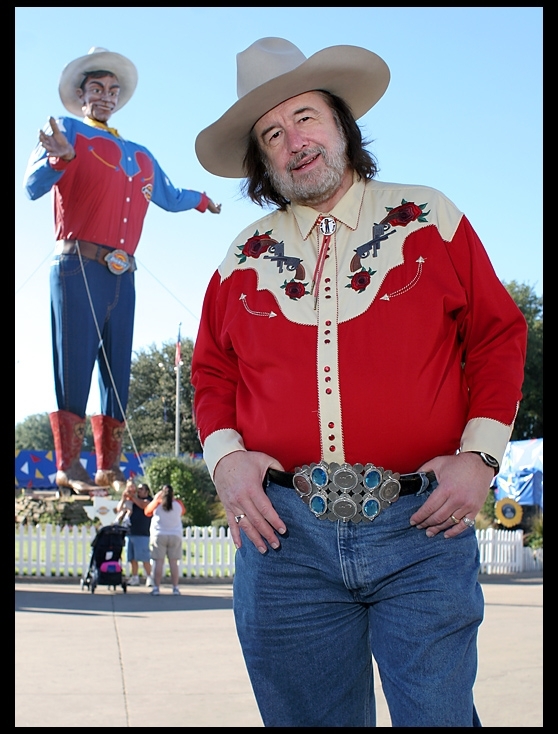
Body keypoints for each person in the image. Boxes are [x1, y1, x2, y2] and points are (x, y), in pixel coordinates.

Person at [190, 37, 528, 727]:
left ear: (341, 124)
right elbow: (211, 369)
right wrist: (225, 461)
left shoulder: (429, 216)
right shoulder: (242, 256)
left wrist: (480, 458)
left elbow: (497, 336)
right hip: (284, 539)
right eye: (273, 134)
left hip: (421, 529)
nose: (295, 141)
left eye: (306, 117)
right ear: (263, 160)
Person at [23, 47, 221, 495]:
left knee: (117, 371)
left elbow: (168, 196)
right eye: (97, 89)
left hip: (122, 273)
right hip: (78, 264)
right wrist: (58, 158)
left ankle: (106, 467)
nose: (106, 97)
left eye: (112, 90)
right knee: (72, 362)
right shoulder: (67, 132)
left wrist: (203, 200)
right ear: (81, 95)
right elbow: (32, 187)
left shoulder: (141, 154)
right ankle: (67, 465)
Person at [144, 484, 185, 596]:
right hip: (175, 535)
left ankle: (156, 588)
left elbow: (147, 511)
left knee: (158, 562)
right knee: (173, 563)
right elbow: (183, 511)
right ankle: (175, 588)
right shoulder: (178, 504)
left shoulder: (157, 504)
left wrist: (156, 499)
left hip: (159, 535)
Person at [116, 480, 154, 586]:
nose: (139, 491)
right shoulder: (132, 500)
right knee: (132, 558)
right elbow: (119, 509)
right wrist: (124, 498)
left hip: (142, 533)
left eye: (141, 489)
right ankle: (135, 577)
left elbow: (142, 505)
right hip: (130, 532)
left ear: (147, 491)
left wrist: (131, 496)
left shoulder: (148, 500)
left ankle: (149, 577)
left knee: (144, 557)